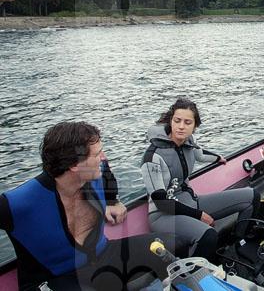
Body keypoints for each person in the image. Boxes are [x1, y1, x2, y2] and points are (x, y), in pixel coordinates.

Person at [0, 121, 183, 291]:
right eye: (96, 154)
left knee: (175, 245)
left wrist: (113, 200)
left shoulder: (97, 172)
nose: (102, 157)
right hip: (54, 278)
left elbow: (107, 174)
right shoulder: (16, 203)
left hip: (102, 255)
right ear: (74, 165)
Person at [140, 98, 260, 263]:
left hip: (191, 202)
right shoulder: (152, 157)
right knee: (208, 235)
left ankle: (236, 248)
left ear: (195, 126)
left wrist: (218, 158)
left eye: (187, 122)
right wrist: (199, 215)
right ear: (170, 121)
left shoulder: (189, 142)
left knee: (252, 196)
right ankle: (191, 273)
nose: (181, 126)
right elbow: (161, 202)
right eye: (177, 121)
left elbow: (200, 154)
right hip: (163, 215)